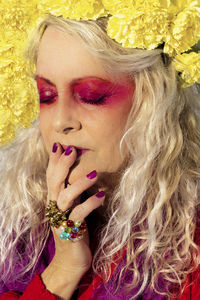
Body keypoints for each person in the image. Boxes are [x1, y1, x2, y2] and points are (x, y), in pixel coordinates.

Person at [0, 2, 200, 300]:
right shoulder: (17, 224)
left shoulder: (190, 251)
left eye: (91, 96)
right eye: (47, 95)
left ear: (152, 102)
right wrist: (64, 267)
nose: (60, 122)